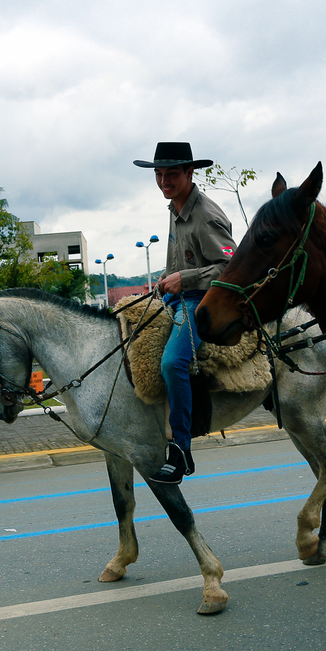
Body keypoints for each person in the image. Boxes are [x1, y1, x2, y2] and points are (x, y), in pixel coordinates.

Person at [133, 141, 234, 485]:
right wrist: (166, 278)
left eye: (172, 174)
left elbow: (231, 266)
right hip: (175, 297)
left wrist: (185, 278)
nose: (164, 181)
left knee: (172, 362)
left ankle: (180, 448)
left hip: (203, 301)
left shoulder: (205, 215)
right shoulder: (175, 207)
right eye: (159, 174)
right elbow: (181, 261)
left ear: (190, 172)